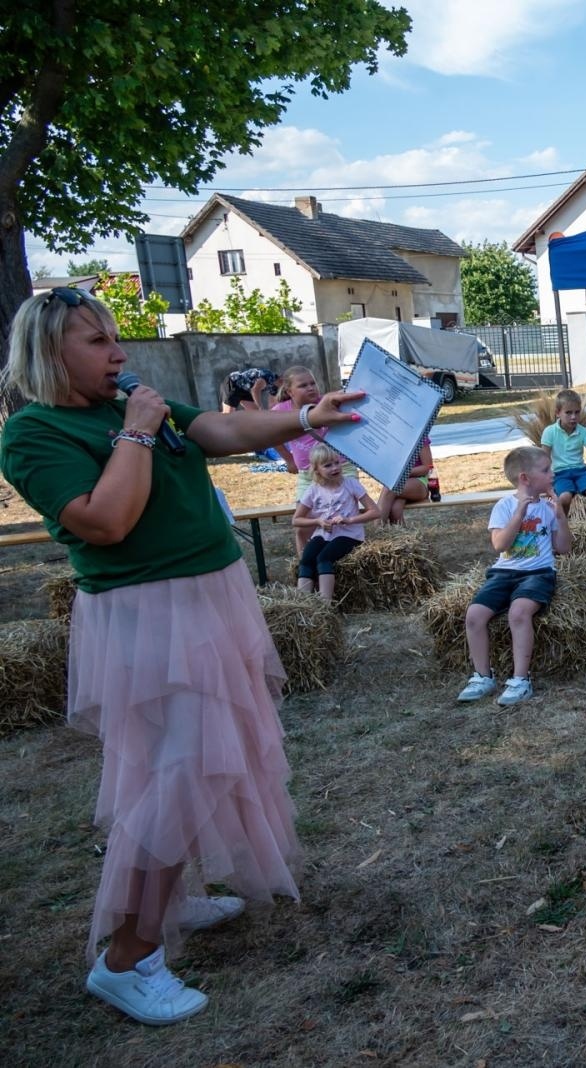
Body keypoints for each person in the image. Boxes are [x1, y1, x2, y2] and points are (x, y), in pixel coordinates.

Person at [0, 288, 361, 1025]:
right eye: (96, 341)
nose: (119, 352)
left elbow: (222, 432)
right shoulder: (32, 433)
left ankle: (173, 898)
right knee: (183, 768)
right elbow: (105, 521)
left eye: (113, 337)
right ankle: (128, 958)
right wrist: (135, 435)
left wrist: (301, 417)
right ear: (49, 353)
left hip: (207, 593)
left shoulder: (134, 400)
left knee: (194, 761)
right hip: (146, 612)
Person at [456, 446, 572, 707]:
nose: (552, 474)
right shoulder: (504, 506)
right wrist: (519, 514)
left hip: (539, 573)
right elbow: (500, 545)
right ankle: (482, 676)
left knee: (518, 613)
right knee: (474, 615)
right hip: (503, 572)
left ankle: (520, 680)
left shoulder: (548, 507)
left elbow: (564, 548)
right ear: (525, 478)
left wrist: (561, 517)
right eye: (546, 470)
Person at [271, 366, 355, 553]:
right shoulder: (279, 411)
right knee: (302, 526)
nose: (310, 388)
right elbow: (270, 436)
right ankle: (304, 569)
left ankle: (341, 563)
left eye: (312, 383)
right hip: (309, 475)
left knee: (340, 520)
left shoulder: (326, 404)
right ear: (289, 391)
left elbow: (346, 397)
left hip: (340, 469)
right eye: (303, 385)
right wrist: (289, 460)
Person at [291, 443, 380, 602]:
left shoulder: (351, 484)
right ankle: (304, 605)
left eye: (337, 463)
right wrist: (318, 521)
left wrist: (350, 519)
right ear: (316, 469)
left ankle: (324, 606)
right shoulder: (313, 489)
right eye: (328, 465)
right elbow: (296, 520)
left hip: (349, 535)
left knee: (323, 558)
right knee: (306, 560)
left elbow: (375, 511)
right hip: (324, 534)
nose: (334, 468)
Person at [541, 388, 586, 518]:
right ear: (557, 413)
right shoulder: (550, 432)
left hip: (580, 471)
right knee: (565, 497)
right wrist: (545, 484)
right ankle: (563, 526)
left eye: (577, 412)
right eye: (568, 413)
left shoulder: (582, 431)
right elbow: (543, 458)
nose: (573, 417)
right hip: (559, 473)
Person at [376, 435, 433, 526]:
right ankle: (401, 538)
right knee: (395, 509)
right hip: (400, 484)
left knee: (390, 489)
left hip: (419, 482)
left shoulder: (420, 436)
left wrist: (404, 472)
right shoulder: (390, 438)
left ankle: (376, 531)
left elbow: (427, 467)